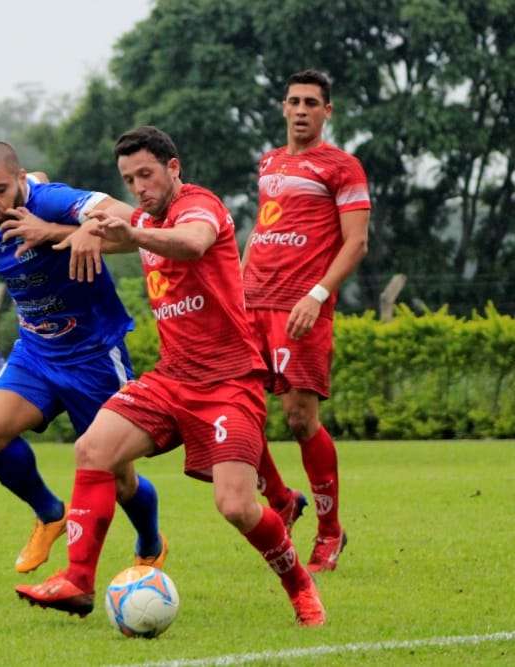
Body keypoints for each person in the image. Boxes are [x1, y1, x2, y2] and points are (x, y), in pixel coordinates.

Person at [16, 126, 324, 626]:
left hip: (229, 382)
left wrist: (132, 233)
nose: (139, 187)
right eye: (129, 179)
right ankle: (77, 580)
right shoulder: (143, 219)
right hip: (172, 378)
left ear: (173, 167)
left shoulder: (199, 206)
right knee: (93, 449)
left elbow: (192, 242)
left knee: (235, 506)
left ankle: (300, 586)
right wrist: (54, 221)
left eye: (146, 174)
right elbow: (103, 226)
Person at [0, 141, 165, 576]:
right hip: (36, 352)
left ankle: (151, 540)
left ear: (19, 179)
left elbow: (133, 220)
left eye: (0, 190)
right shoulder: (3, 206)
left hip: (94, 356)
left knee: (119, 479)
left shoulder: (52, 200)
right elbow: (33, 177)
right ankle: (50, 514)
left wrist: (72, 231)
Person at [242, 70, 370, 573]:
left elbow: (356, 242)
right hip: (252, 303)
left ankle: (330, 530)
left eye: (311, 103)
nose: (300, 110)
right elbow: (264, 228)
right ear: (283, 107)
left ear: (326, 111)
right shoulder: (270, 162)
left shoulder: (342, 167)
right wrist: (236, 285)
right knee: (237, 411)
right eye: (293, 101)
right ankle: (280, 498)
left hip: (300, 306)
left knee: (299, 419)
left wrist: (317, 295)